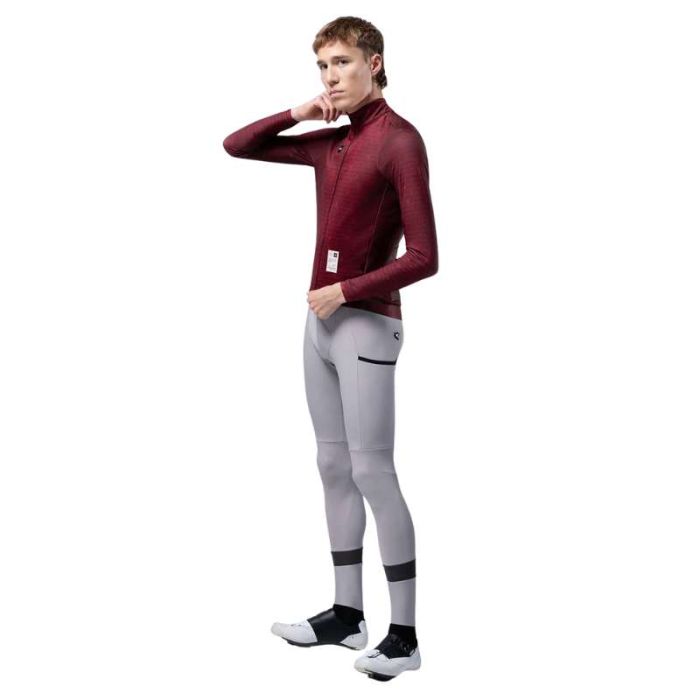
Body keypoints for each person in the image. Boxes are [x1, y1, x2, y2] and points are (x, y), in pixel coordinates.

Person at [222, 16, 438, 681]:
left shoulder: (400, 141)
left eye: (341, 62)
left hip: (365, 323)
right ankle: (347, 617)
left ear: (375, 63)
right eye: (322, 66)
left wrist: (346, 290)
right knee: (331, 465)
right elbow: (237, 145)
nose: (330, 76)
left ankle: (404, 637)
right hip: (320, 326)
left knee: (374, 472)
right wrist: (300, 111)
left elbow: (425, 256)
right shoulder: (334, 141)